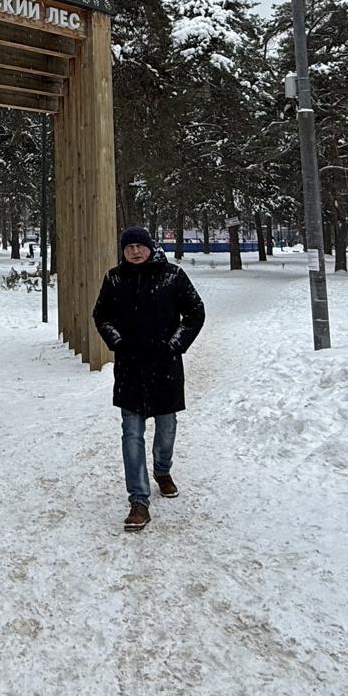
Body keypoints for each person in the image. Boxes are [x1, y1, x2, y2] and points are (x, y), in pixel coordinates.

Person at [94, 226, 205, 532]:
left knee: (166, 426)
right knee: (131, 433)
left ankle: (162, 469)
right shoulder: (114, 279)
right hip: (130, 368)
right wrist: (117, 341)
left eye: (139, 246)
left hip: (165, 366)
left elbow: (195, 311)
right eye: (128, 247)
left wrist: (175, 344)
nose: (134, 252)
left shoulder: (173, 276)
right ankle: (139, 500)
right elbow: (101, 315)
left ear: (149, 247)